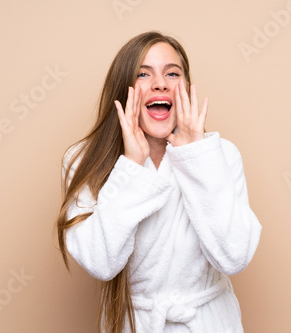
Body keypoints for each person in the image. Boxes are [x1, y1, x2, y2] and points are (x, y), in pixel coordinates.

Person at [56, 31, 262, 333]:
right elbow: (101, 263)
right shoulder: (82, 161)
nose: (160, 83)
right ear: (122, 88)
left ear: (186, 89)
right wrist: (131, 167)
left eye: (172, 73)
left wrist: (197, 156)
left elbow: (234, 257)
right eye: (143, 73)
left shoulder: (220, 156)